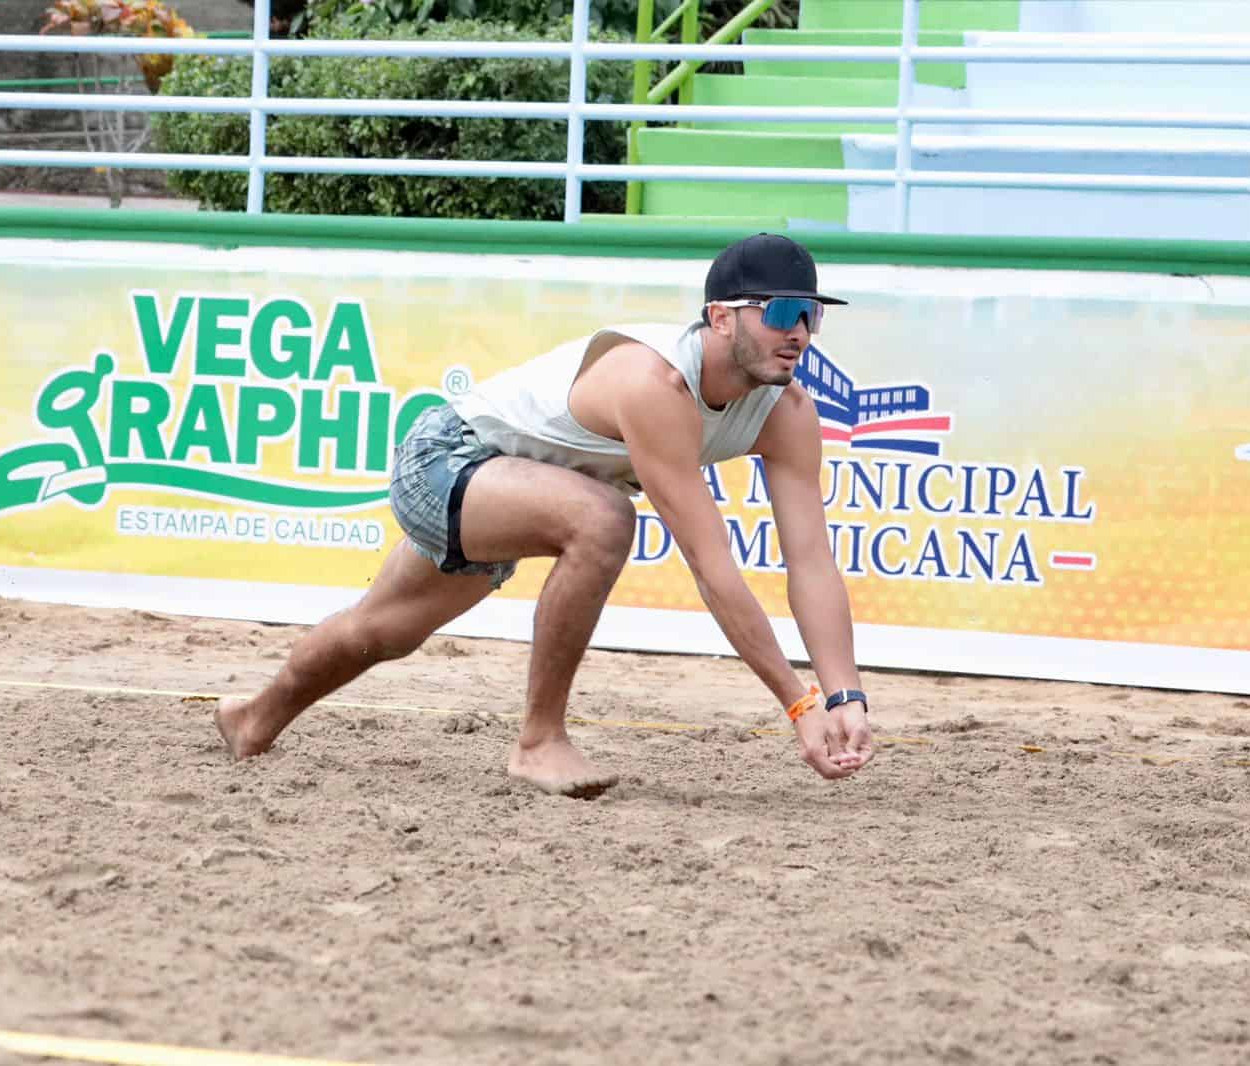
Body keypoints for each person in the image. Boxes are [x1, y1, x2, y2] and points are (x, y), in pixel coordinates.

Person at [216, 233, 876, 797]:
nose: (798, 332)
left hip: (524, 487)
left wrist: (843, 694)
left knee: (382, 631)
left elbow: (811, 562)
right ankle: (540, 741)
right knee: (605, 520)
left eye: (811, 315)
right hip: (449, 458)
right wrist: (798, 702)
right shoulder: (656, 384)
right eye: (781, 311)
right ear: (720, 318)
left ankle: (253, 718)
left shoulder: (788, 413)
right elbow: (711, 564)